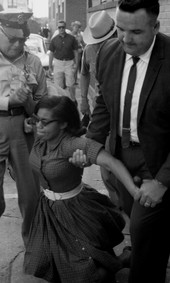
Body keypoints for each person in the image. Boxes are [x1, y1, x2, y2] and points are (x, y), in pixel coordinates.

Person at [73, 0, 170, 282]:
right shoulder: (108, 52)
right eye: (120, 29)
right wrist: (89, 147)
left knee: (143, 229)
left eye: (136, 32)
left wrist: (163, 180)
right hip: (120, 159)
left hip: (159, 162)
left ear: (156, 26)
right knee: (145, 232)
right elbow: (103, 105)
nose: (126, 39)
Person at [23, 94, 138, 283]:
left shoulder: (73, 144)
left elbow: (110, 163)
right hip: (47, 210)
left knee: (88, 269)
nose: (38, 126)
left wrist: (134, 191)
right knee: (44, 259)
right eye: (37, 120)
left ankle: (121, 260)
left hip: (75, 212)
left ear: (63, 124)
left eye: (44, 121)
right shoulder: (42, 136)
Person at [0, 9, 47, 245]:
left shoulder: (33, 61)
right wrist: (9, 101)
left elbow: (43, 101)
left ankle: (33, 245)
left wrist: (32, 109)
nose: (18, 45)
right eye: (12, 39)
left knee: (30, 194)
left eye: (22, 39)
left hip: (24, 129)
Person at [80, 10, 117, 128]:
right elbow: (84, 74)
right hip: (99, 101)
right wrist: (84, 99)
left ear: (114, 34)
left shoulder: (123, 48)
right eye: (99, 42)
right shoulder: (89, 50)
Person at [49, 20, 79, 105]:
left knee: (71, 84)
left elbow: (76, 52)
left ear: (65, 27)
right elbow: (51, 53)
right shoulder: (54, 40)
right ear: (57, 28)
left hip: (69, 63)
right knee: (58, 85)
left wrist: (76, 64)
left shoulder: (72, 38)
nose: (61, 29)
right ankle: (60, 103)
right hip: (58, 63)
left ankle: (73, 101)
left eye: (63, 27)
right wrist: (50, 66)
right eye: (59, 27)